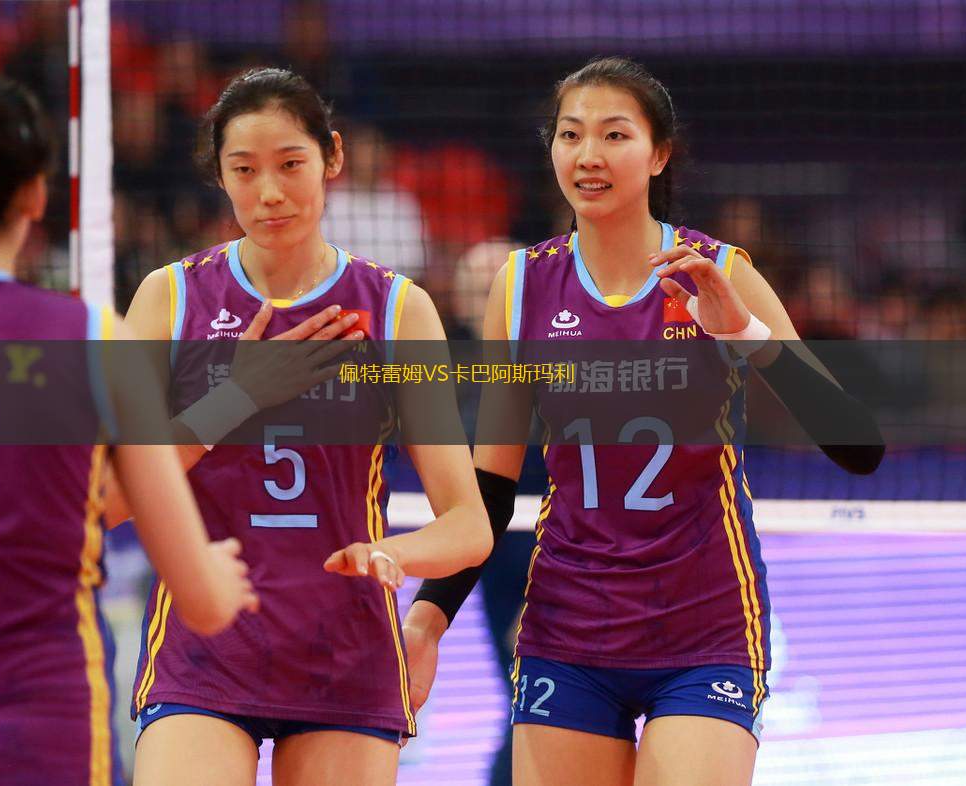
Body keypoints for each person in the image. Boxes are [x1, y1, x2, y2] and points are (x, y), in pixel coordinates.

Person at [405, 57, 883, 786]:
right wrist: (427, 618)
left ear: (659, 154)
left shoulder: (719, 270)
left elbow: (857, 445)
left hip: (705, 625)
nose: (588, 155)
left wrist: (746, 333)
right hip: (569, 624)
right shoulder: (522, 284)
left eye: (615, 135)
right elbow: (491, 491)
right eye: (571, 135)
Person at [0, 76, 257, 786]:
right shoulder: (94, 337)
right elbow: (200, 598)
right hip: (44, 730)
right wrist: (220, 577)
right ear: (36, 197)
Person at [122, 67, 491, 786]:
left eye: (291, 164)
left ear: (333, 158)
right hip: (205, 646)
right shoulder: (170, 298)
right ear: (219, 176)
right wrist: (235, 397)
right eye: (244, 170)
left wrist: (392, 553)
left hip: (345, 650)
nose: (269, 192)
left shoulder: (397, 310)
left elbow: (468, 524)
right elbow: (109, 495)